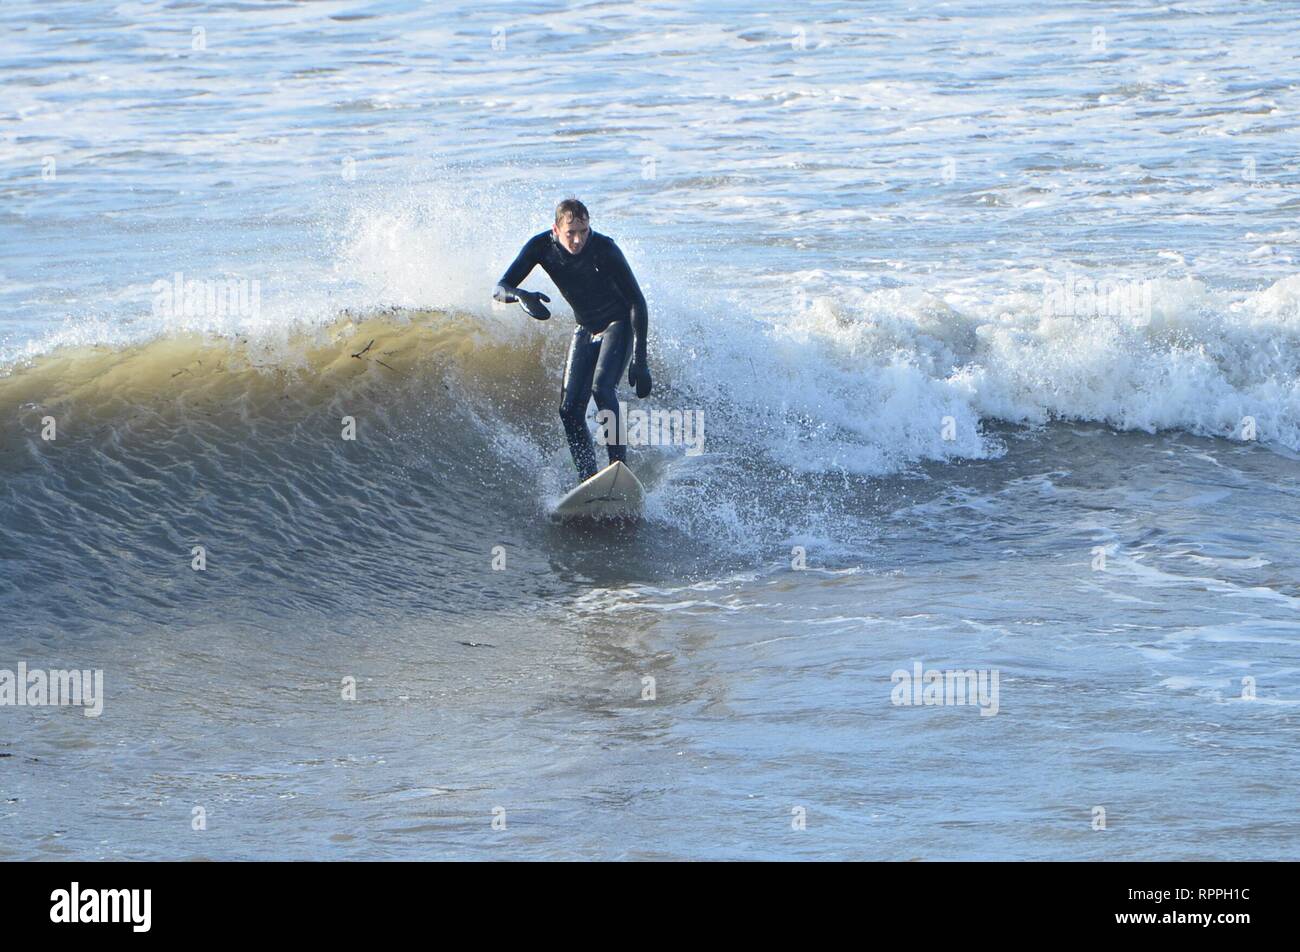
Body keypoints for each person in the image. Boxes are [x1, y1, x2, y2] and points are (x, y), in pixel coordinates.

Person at [494, 198, 652, 482]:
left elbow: (636, 302)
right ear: (556, 229)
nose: (578, 239)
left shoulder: (604, 249)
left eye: (584, 231)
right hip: (585, 328)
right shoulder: (540, 246)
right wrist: (520, 295)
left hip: (618, 324)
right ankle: (588, 479)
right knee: (568, 410)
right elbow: (500, 288)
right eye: (571, 233)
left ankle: (619, 469)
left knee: (602, 390)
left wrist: (640, 359)